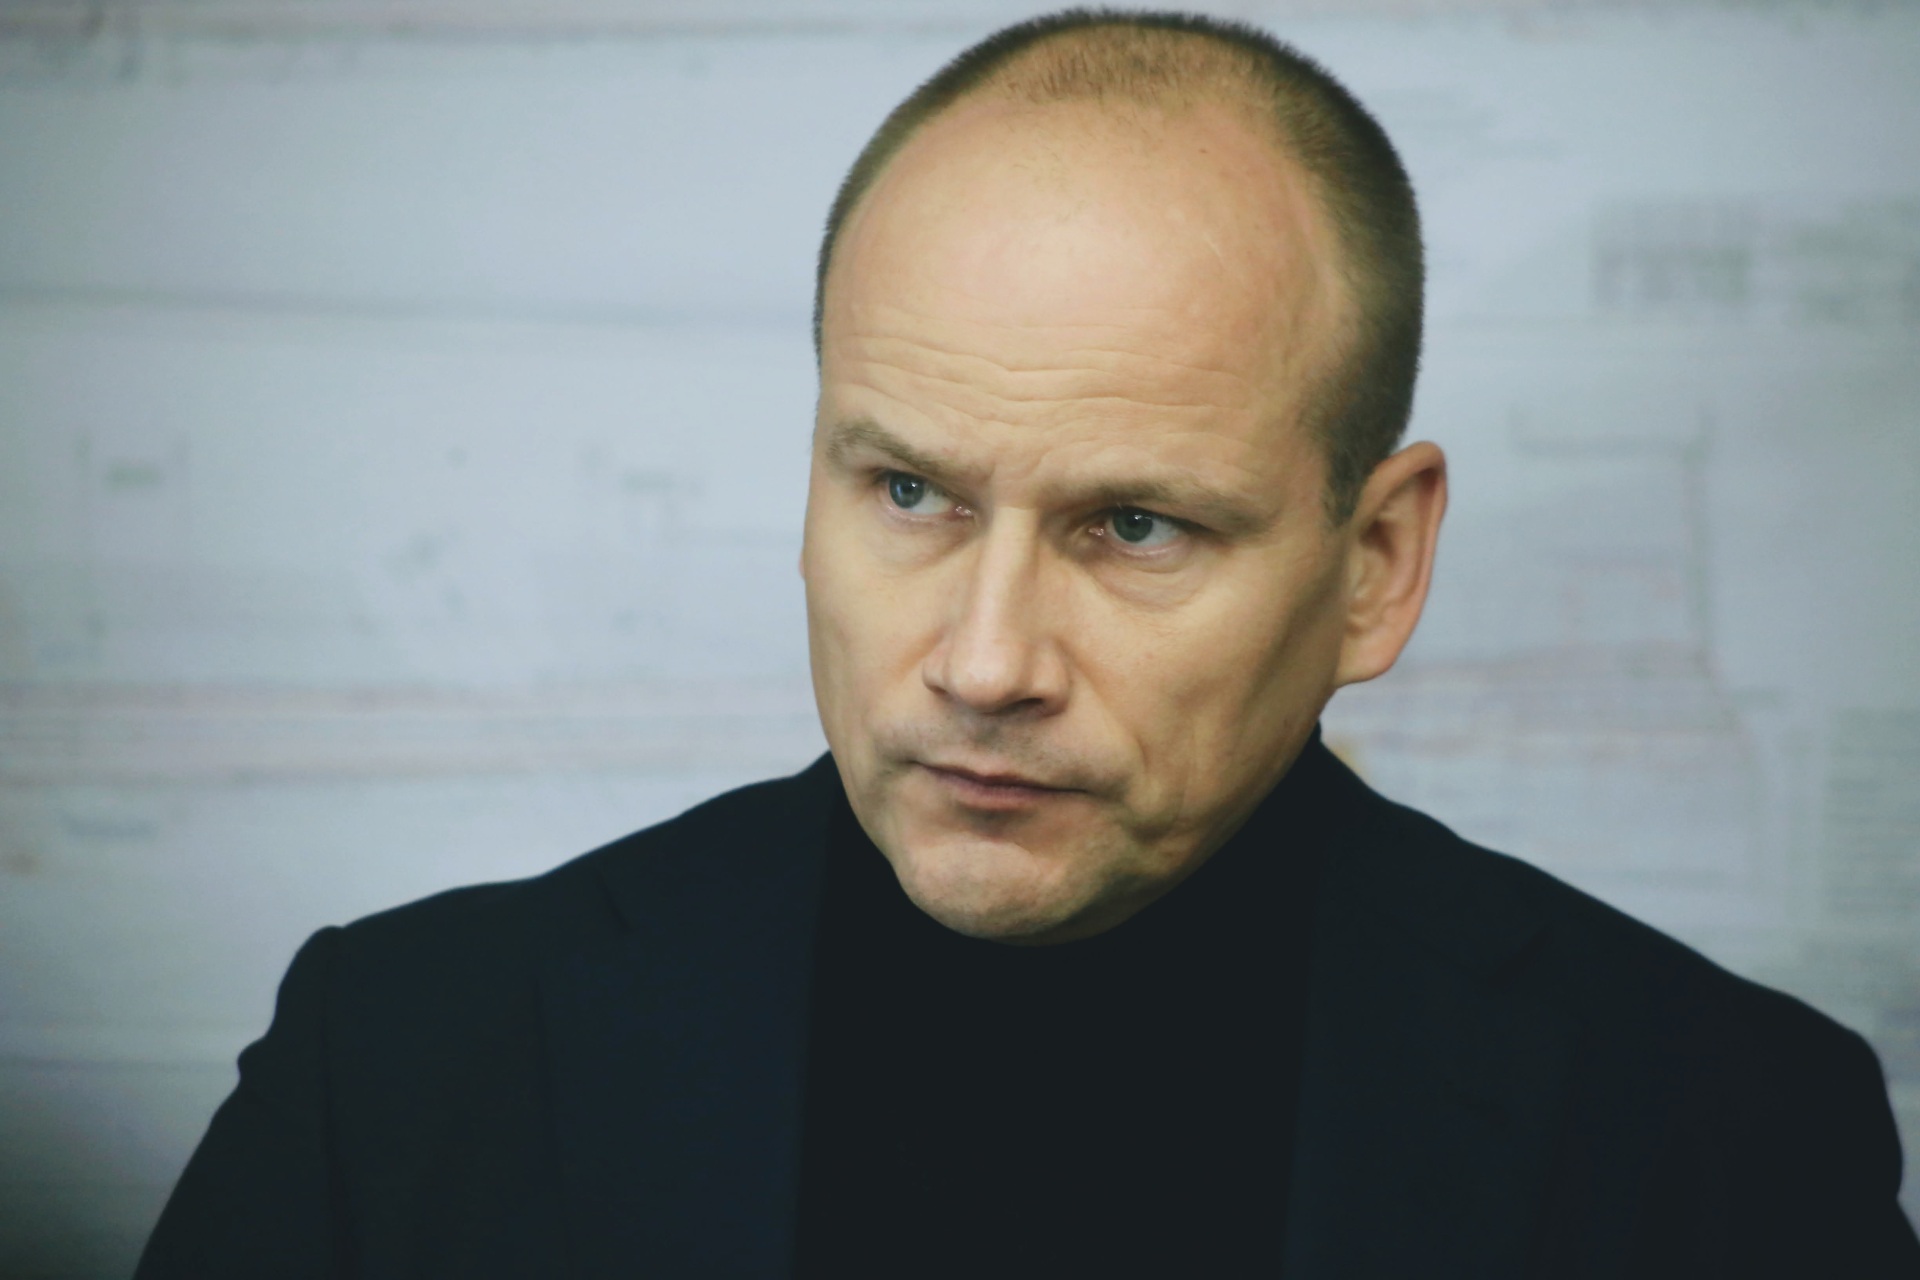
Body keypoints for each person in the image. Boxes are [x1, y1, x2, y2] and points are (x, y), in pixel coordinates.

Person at [137, 10, 1919, 1278]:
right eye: (908, 490)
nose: (985, 665)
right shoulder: (398, 1065)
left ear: (1376, 565)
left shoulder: (1724, 1136)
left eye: (1134, 526)